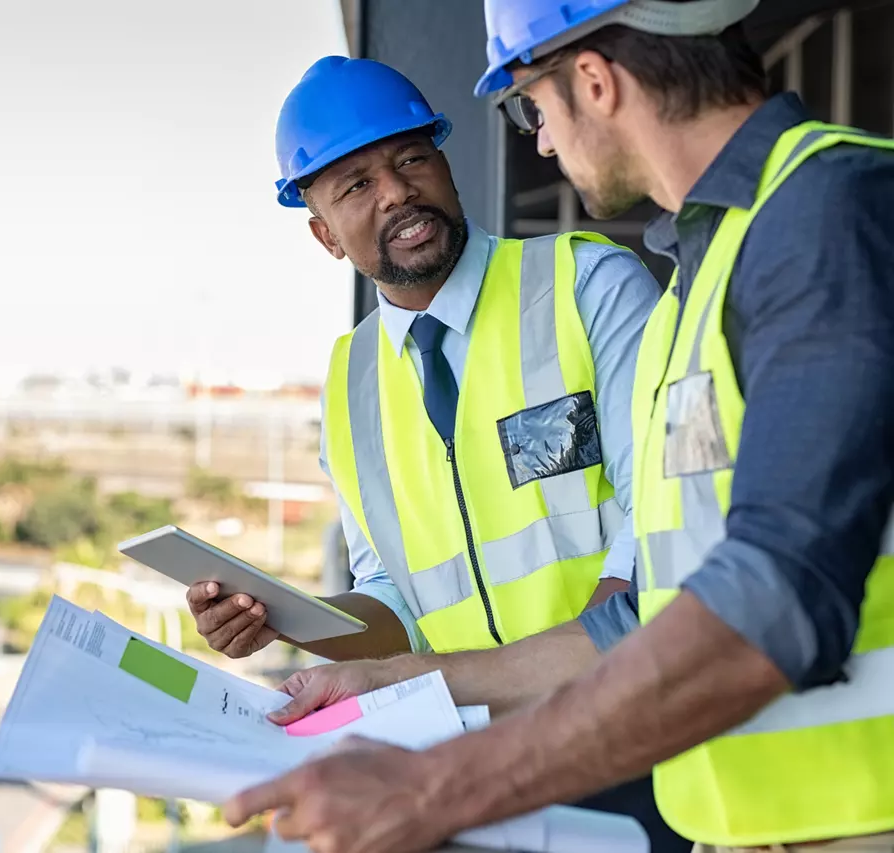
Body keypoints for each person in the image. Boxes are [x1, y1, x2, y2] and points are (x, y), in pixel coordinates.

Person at [220, 2, 894, 852]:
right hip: (734, 812)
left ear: (595, 81)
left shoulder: (825, 214)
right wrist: (377, 671)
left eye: (529, 104)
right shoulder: (709, 270)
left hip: (854, 813)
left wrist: (437, 788)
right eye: (355, 184)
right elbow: (654, 608)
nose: (538, 140)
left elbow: (772, 595)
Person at [185, 54, 683, 849]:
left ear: (445, 163)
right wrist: (285, 618)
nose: (397, 192)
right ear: (323, 233)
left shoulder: (587, 285)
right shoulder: (349, 384)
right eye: (356, 185)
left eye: (411, 158)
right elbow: (393, 601)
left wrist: (574, 690)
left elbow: (660, 522)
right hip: (459, 771)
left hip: (630, 730)